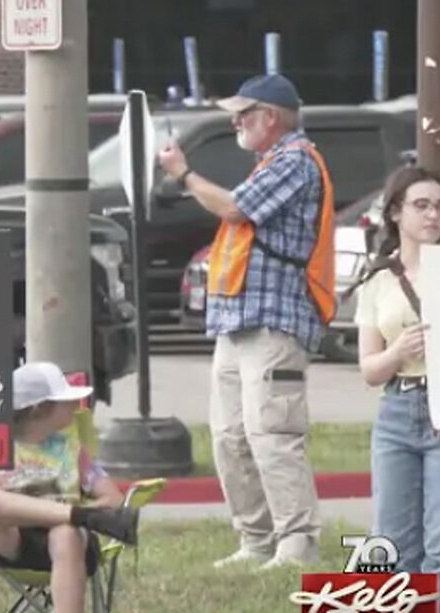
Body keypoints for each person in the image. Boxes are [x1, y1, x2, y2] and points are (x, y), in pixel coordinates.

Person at [156, 73, 335, 569]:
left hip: (275, 322)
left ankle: (296, 544)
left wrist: (183, 175)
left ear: (271, 118)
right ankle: (256, 540)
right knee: (230, 437)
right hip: (238, 320)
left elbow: (235, 209)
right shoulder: (270, 163)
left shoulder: (296, 160)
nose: (235, 121)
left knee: (273, 435)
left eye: (244, 113)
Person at [345, 166, 440, 613]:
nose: (433, 215)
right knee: (390, 543)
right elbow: (369, 369)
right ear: (395, 212)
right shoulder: (378, 279)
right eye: (421, 205)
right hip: (397, 408)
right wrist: (397, 352)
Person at [0, 362, 139, 613]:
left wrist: (74, 514)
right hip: (11, 540)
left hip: (69, 544)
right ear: (40, 409)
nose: (76, 405)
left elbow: (114, 502)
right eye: (65, 401)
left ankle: (72, 518)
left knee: (65, 534)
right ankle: (73, 515)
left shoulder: (73, 451)